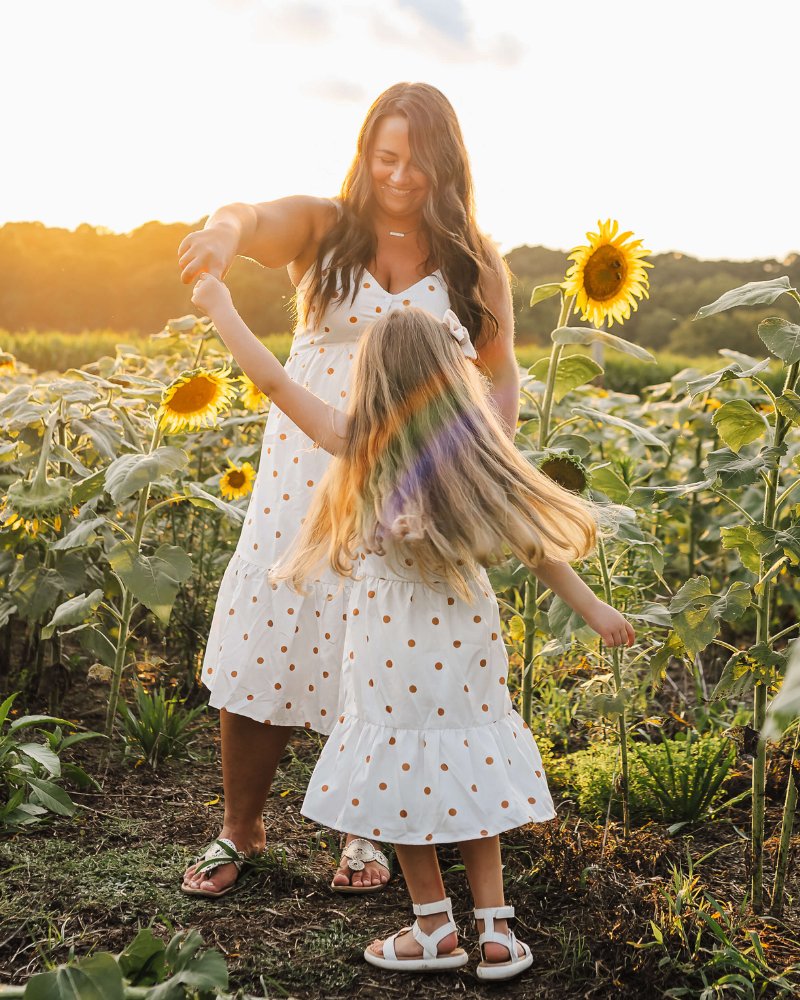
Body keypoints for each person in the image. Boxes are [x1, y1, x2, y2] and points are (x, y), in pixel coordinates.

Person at [188, 274, 635, 978]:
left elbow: (273, 381)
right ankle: (495, 931)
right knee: (472, 761)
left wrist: (222, 306)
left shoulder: (358, 445)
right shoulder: (474, 459)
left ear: (372, 379)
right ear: (449, 379)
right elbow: (535, 546)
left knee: (403, 770)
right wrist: (595, 609)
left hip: (389, 642)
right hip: (465, 639)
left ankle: (433, 927)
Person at [179, 82, 527, 897]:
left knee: (381, 643)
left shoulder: (473, 256)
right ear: (367, 153)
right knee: (273, 621)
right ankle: (241, 827)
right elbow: (249, 216)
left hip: (413, 480)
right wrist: (220, 234)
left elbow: (500, 374)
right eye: (387, 156)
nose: (402, 176)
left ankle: (365, 832)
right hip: (305, 465)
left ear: (449, 166)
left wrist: (486, 469)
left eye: (420, 161)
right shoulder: (327, 226)